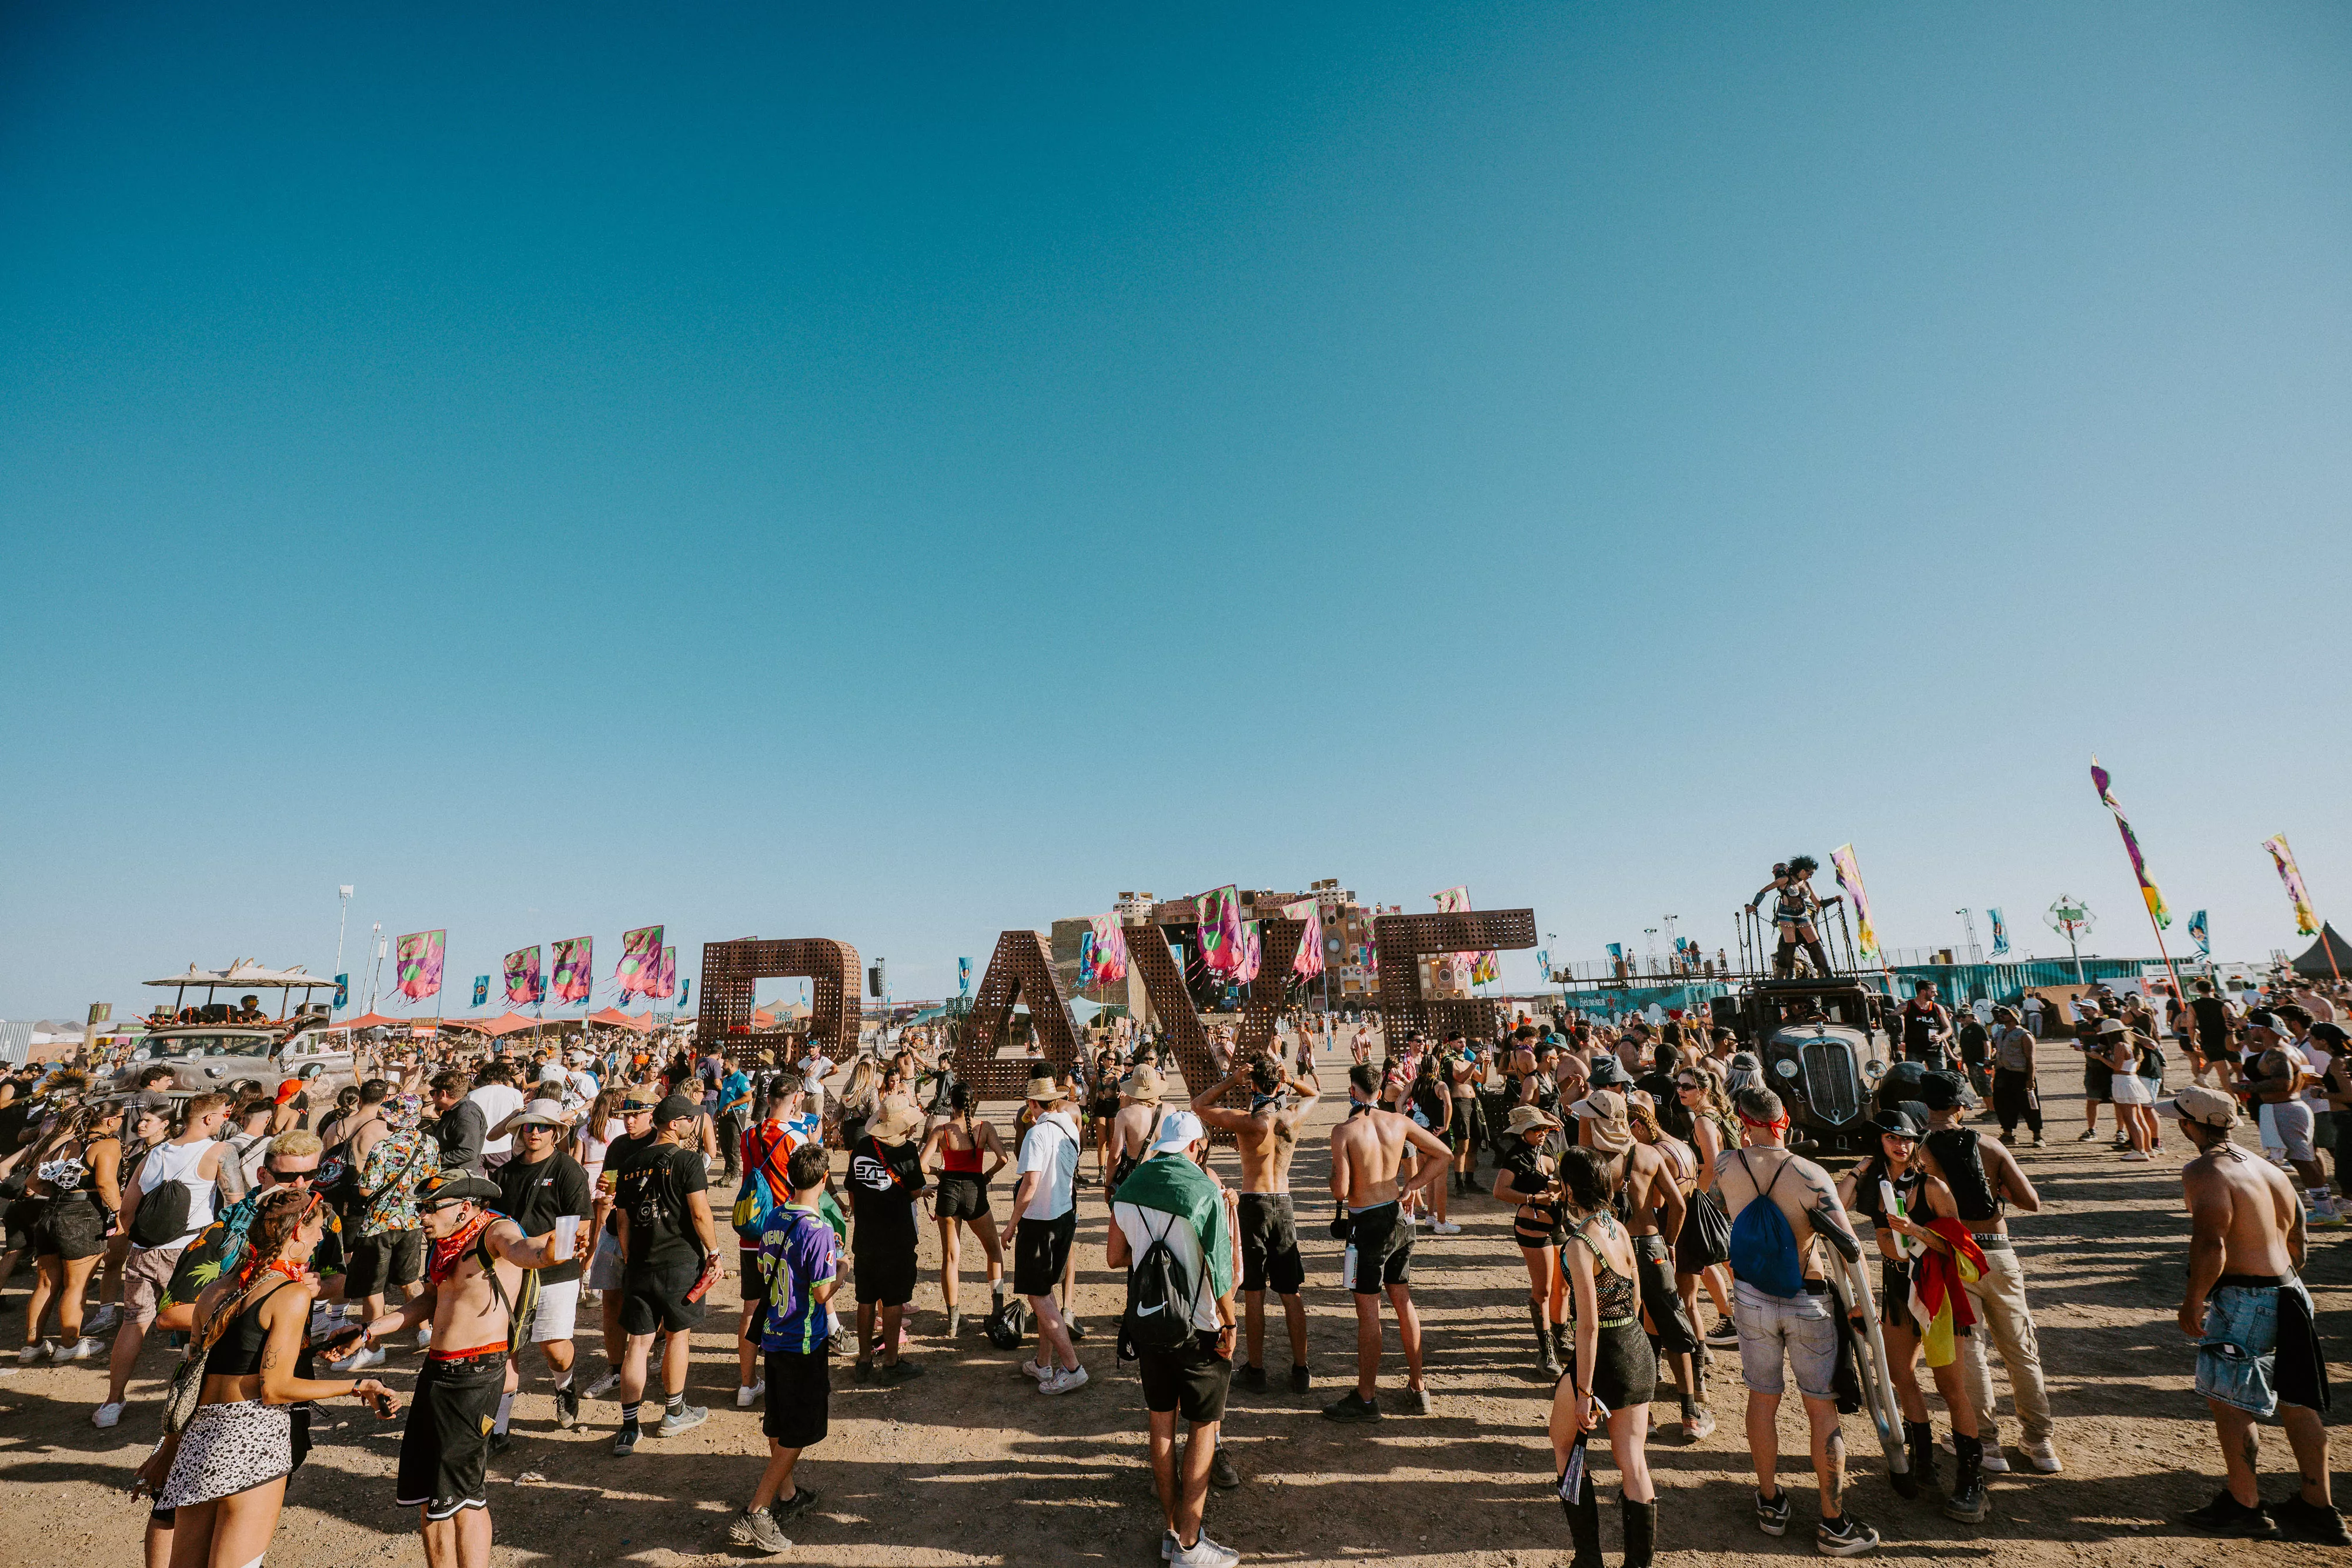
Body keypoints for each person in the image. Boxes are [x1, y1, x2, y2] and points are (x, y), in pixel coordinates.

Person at [134, 1186, 399, 1568]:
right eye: (317, 1229)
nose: (320, 1238)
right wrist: (360, 1385)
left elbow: (189, 1379)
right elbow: (275, 1389)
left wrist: (169, 1448)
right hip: (253, 1439)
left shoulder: (216, 1290)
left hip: (198, 1439)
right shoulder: (290, 1294)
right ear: (297, 1231)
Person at [342, 1171, 586, 1568]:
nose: (422, 1215)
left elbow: (525, 1250)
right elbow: (430, 1301)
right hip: (437, 1371)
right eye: (421, 1207)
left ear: (465, 1207)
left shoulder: (495, 1231)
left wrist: (554, 1250)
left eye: (431, 1207)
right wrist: (370, 1329)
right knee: (432, 1494)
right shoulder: (445, 1243)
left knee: (459, 1497)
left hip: (475, 1374)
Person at [2170, 1085, 2347, 1543]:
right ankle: (2318, 1506)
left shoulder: (2205, 1170)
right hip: (2289, 1289)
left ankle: (2244, 1504)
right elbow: (2299, 1239)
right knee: (2297, 1397)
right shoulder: (2268, 1167)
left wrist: (2194, 1299)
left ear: (2187, 1124)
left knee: (2231, 1402)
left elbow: (2212, 1240)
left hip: (2246, 1296)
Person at [1716, 1086, 1879, 1556]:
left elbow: (1717, 1206)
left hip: (1751, 1296)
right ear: (1784, 1120)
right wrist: (1863, 1304)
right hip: (1807, 1299)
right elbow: (1849, 1247)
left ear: (1744, 1122)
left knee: (1762, 1398)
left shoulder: (1727, 1165)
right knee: (1821, 1409)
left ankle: (1770, 1502)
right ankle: (1834, 1523)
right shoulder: (1810, 1174)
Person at [1836, 1108, 1987, 1524]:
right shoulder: (1876, 1184)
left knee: (1951, 1387)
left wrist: (1915, 1230)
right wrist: (1860, 1167)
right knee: (1900, 1375)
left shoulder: (1932, 1186)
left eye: (1907, 1138)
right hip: (1898, 1291)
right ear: (1880, 1141)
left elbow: (1960, 1247)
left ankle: (1971, 1481)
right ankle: (1923, 1462)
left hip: (1937, 1291)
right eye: (1892, 1138)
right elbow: (1836, 1208)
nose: (1902, 1145)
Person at [1108, 1109, 1241, 1568]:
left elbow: (1114, 1256)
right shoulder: (1203, 1189)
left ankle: (1170, 1529)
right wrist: (1230, 1324)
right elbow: (1220, 1271)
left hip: (1150, 1321)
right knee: (1203, 1425)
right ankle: (1189, 1543)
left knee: (1161, 1423)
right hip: (1199, 1324)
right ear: (1196, 1146)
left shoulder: (1130, 1187)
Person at [1915, 1072, 2060, 1475]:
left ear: (1926, 1105)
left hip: (1952, 1253)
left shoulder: (1918, 1150)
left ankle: (1986, 1441)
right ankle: (2040, 1440)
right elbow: (2031, 1201)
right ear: (1960, 1106)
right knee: (2020, 1348)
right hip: (1998, 1252)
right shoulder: (1991, 1146)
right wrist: (1996, 1190)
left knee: (1971, 1351)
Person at [1549, 1145, 1658, 1568]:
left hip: (1603, 1354)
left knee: (1565, 1444)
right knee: (1633, 1462)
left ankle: (1589, 1558)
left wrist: (1585, 1392)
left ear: (1569, 1187)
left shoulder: (1580, 1244)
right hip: (1635, 1348)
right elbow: (1636, 1296)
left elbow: (1589, 1325)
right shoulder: (1619, 1229)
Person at [1324, 1061, 1451, 1422]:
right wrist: (1412, 1185)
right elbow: (1444, 1155)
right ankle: (1418, 1387)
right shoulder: (1399, 1122)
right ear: (1380, 1092)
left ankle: (1366, 1398)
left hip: (1367, 1223)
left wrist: (1335, 1173)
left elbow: (1341, 1190)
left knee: (1369, 1312)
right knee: (1403, 1300)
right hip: (1398, 1217)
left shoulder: (1344, 1131)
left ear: (1352, 1091)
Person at [730, 1143, 838, 1555]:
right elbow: (823, 1292)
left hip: (773, 1334)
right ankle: (757, 1510)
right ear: (824, 1179)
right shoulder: (818, 1229)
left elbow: (763, 1268)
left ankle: (789, 1494)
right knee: (800, 1428)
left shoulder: (775, 1216)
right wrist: (843, 1268)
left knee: (778, 1419)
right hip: (803, 1340)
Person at [1191, 1054, 1319, 1393]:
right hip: (1283, 1202)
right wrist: (1290, 1080)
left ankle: (1257, 1370)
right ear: (1277, 1084)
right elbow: (1315, 1094)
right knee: (1291, 1291)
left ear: (1253, 1085)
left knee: (1255, 1292)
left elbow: (1199, 1105)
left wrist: (1232, 1081)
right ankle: (1301, 1369)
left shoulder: (1249, 1122)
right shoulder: (1291, 1116)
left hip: (1254, 1202)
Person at [610, 1094, 719, 1453]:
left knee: (638, 1343)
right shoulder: (687, 1160)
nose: (693, 1124)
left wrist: (631, 1258)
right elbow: (700, 1213)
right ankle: (674, 1412)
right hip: (679, 1261)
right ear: (674, 1124)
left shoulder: (630, 1163)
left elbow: (623, 1221)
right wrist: (714, 1252)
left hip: (640, 1264)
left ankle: (629, 1427)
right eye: (689, 1119)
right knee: (677, 1337)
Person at [492, 1101, 594, 1441]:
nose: (535, 1132)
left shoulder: (568, 1169)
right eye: (528, 1126)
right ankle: (500, 1427)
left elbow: (581, 1224)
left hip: (556, 1270)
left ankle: (565, 1386)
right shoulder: (505, 1173)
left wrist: (530, 1245)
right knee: (507, 1347)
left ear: (556, 1133)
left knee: (554, 1347)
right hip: (511, 1272)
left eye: (543, 1126)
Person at [1007, 1075, 1087, 1394]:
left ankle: (1073, 1367)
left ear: (1032, 1103)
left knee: (1038, 1295)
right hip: (1064, 1215)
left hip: (1040, 1221)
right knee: (1046, 1292)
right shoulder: (1069, 1124)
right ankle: (1043, 1363)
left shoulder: (1037, 1133)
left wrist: (1011, 1225)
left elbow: (1029, 1185)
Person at [847, 1098, 928, 1383]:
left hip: (866, 1235)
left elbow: (852, 1189)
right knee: (893, 1299)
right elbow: (915, 1190)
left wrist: (862, 1214)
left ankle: (864, 1361)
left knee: (866, 1298)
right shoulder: (907, 1151)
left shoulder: (862, 1147)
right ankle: (891, 1364)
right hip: (896, 1236)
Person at [918, 1081, 1008, 1338]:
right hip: (974, 1190)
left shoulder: (941, 1131)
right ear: (972, 1102)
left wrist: (940, 1172)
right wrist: (987, 1176)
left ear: (952, 1104)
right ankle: (997, 1310)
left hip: (948, 1191)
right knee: (993, 1250)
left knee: (950, 1258)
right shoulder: (984, 1128)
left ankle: (954, 1320)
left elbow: (922, 1165)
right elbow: (1003, 1158)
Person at [1495, 1105, 1569, 1376]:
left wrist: (1558, 1189)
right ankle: (1545, 1350)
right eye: (1535, 1129)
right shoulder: (1516, 1156)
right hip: (1532, 1227)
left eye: (1543, 1129)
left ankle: (1562, 1338)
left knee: (1564, 1287)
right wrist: (1532, 1198)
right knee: (1544, 1290)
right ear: (1522, 1132)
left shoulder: (1547, 1146)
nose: (1542, 1133)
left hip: (1558, 1225)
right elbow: (1499, 1191)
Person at [1746, 857, 1840, 978]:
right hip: (1787, 916)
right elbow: (1764, 890)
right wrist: (1754, 905)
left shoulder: (1806, 884)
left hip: (1802, 915)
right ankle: (1791, 974)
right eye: (1809, 873)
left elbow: (1818, 903)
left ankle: (1828, 972)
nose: (1810, 876)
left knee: (1816, 943)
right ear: (1802, 870)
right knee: (1790, 945)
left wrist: (1834, 900)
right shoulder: (1786, 880)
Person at [1987, 1007, 2043, 1146]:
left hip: (2020, 1075)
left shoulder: (2024, 1035)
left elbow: (2030, 1058)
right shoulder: (2000, 1033)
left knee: (2029, 1106)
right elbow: (2000, 1052)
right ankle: (2008, 1134)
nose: (2001, 1015)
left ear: (2015, 1017)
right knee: (2003, 1104)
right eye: (2001, 1013)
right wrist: (1992, 1062)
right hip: (2003, 1073)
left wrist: (2030, 1079)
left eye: (2006, 1013)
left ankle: (2037, 1136)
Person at [427, 1071, 487, 1175]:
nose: (432, 1097)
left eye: (433, 1093)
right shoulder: (453, 1111)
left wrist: (433, 1160)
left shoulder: (467, 1113)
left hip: (457, 1176)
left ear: (443, 1094)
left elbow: (468, 1152)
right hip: (449, 1173)